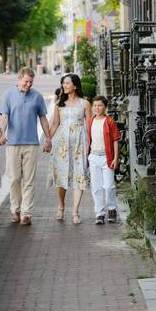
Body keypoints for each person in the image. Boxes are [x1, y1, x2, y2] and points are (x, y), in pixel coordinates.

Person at [0, 67, 52, 226]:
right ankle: (14, 209)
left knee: (29, 180)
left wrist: (48, 138)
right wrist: (1, 134)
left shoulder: (37, 97)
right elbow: (4, 117)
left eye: (31, 82)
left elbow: (43, 118)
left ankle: (26, 213)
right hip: (13, 144)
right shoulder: (8, 95)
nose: (28, 84)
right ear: (19, 79)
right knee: (14, 179)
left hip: (31, 144)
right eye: (26, 81)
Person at [46, 74, 91, 224]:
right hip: (62, 144)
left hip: (80, 143)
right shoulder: (60, 104)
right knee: (62, 175)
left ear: (75, 86)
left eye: (67, 83)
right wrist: (48, 140)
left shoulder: (85, 103)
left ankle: (75, 211)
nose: (64, 86)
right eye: (63, 83)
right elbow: (55, 124)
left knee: (80, 175)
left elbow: (89, 126)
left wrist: (90, 145)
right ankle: (61, 205)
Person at [87, 95, 120, 225]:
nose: (97, 108)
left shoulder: (109, 121)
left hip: (107, 158)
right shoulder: (91, 121)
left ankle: (111, 209)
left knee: (109, 186)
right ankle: (99, 213)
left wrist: (116, 158)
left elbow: (115, 140)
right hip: (94, 157)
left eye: (100, 105)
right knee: (96, 187)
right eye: (95, 105)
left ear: (105, 107)